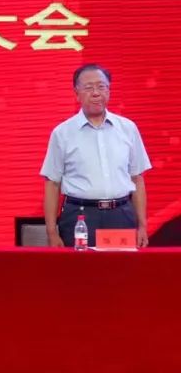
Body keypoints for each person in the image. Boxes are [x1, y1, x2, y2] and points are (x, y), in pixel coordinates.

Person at [41, 64, 151, 248]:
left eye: (101, 86)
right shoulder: (63, 133)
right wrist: (51, 232)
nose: (96, 93)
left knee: (120, 267)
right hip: (80, 217)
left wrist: (142, 225)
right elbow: (52, 184)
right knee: (81, 267)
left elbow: (137, 179)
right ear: (76, 93)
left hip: (120, 215)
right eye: (88, 87)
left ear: (109, 90)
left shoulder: (128, 128)